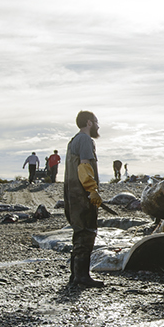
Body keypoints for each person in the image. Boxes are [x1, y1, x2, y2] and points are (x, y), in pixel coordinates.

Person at [63, 111, 105, 288]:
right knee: (86, 231)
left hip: (73, 194)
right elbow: (84, 166)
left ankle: (76, 276)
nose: (98, 125)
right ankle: (82, 277)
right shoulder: (85, 140)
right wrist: (92, 190)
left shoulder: (73, 140)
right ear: (89, 122)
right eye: (96, 122)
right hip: (82, 194)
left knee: (79, 231)